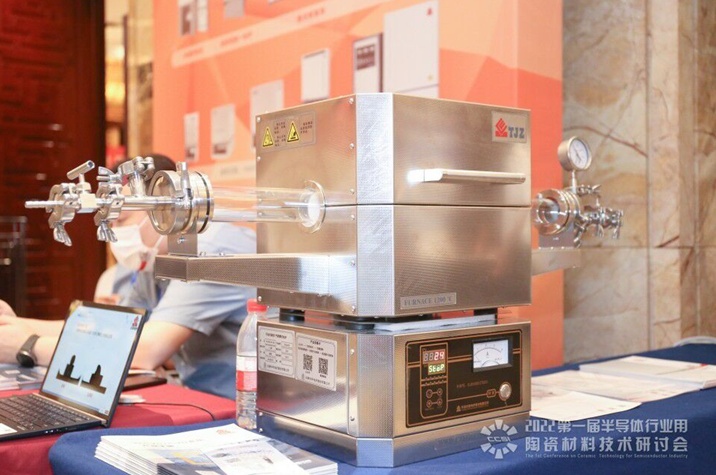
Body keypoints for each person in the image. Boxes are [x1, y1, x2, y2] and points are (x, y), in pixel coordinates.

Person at [0, 154, 256, 399]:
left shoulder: (212, 251)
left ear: (164, 207)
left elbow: (146, 350)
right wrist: (13, 324)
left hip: (241, 407)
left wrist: (30, 346)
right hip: (198, 395)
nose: (114, 232)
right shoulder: (153, 257)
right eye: (109, 222)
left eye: (121, 219)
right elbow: (112, 328)